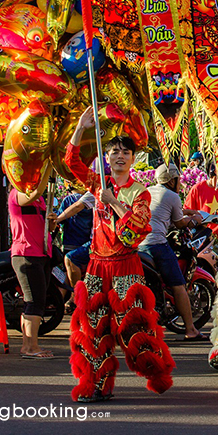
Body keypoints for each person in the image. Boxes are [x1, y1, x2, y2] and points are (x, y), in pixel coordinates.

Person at [64, 108, 175, 403]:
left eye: (125, 152)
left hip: (126, 268)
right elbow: (71, 162)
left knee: (134, 332)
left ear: (133, 159)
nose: (119, 157)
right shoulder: (98, 183)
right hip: (97, 267)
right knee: (93, 332)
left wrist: (112, 202)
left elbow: (137, 229)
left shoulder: (140, 192)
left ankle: (157, 372)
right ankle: (98, 384)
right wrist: (80, 128)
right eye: (114, 152)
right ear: (108, 157)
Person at [139, 163, 205, 341]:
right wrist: (195, 220)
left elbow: (163, 211)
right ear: (172, 180)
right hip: (156, 245)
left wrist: (187, 211)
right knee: (178, 285)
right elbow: (180, 224)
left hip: (138, 245)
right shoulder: (172, 195)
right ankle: (190, 329)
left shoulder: (149, 190)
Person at [8, 185, 57, 359]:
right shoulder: (17, 194)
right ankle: (30, 347)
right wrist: (46, 172)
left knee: (35, 301)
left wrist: (51, 221)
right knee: (34, 301)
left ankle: (28, 345)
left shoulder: (41, 200)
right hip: (25, 253)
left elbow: (47, 229)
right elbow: (33, 193)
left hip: (42, 252)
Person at [52, 186, 95, 307]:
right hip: (86, 241)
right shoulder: (91, 196)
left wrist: (56, 220)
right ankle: (64, 300)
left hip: (72, 242)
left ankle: (74, 297)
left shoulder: (70, 200)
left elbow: (73, 210)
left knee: (68, 266)